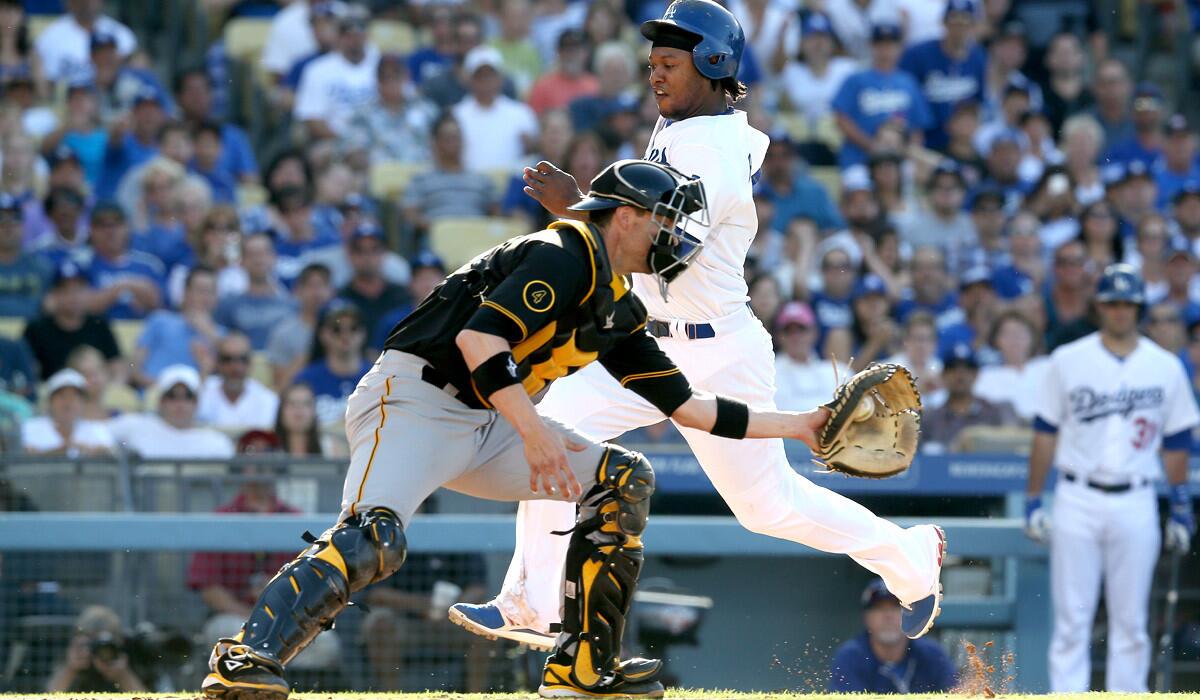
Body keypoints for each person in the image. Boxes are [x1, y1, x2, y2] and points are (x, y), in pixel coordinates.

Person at [200, 157, 842, 700]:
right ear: (624, 216)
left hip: (489, 416)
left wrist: (803, 426)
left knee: (623, 480)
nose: (671, 234)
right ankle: (243, 657)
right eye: (662, 218)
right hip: (418, 398)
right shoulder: (562, 251)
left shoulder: (615, 299)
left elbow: (692, 409)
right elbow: (481, 341)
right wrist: (536, 434)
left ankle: (583, 667)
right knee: (375, 541)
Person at [448, 0, 945, 658]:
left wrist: (575, 208)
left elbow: (664, 253)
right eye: (653, 61)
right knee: (555, 432)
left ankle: (910, 558)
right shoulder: (687, 125)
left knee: (767, 507)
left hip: (718, 348)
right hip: (646, 335)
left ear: (714, 64)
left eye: (671, 63)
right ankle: (534, 602)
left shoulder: (709, 148)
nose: (656, 73)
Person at [1025, 264, 1199, 692]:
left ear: (1139, 308)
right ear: (1099, 305)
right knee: (1072, 618)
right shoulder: (1068, 359)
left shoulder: (1165, 366)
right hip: (1076, 495)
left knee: (1131, 621)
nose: (1121, 311)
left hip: (1136, 498)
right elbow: (1044, 435)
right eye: (1113, 302)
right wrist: (1032, 499)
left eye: (1129, 304)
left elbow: (1176, 442)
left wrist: (1179, 503)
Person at [829, 579, 958, 693]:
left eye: (896, 606)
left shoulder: (932, 654)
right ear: (867, 617)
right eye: (879, 608)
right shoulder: (850, 657)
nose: (888, 615)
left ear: (910, 615)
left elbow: (954, 693)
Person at [833, 21, 932, 168]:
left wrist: (905, 152)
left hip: (900, 161)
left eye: (891, 44)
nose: (886, 50)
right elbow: (841, 119)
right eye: (880, 44)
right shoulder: (856, 79)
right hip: (860, 158)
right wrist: (872, 146)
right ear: (872, 46)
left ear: (900, 48)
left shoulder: (908, 82)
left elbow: (918, 127)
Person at [898, 0, 986, 152]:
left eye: (965, 23)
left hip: (962, 143)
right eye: (954, 22)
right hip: (925, 139)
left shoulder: (978, 58)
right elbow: (904, 95)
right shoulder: (918, 55)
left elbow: (978, 102)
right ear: (943, 23)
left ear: (973, 26)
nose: (959, 29)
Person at [107, 365, 234, 459]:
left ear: (197, 402)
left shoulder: (216, 442)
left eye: (188, 396)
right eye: (172, 396)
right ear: (161, 401)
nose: (180, 404)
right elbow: (97, 434)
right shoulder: (135, 426)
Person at [294, 4, 380, 141]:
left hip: (380, 141)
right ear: (338, 36)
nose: (354, 39)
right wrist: (348, 141)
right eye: (347, 33)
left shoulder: (384, 65)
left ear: (367, 35)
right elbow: (313, 120)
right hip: (334, 141)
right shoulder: (317, 70)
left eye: (359, 32)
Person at [22, 261, 121, 380]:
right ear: (54, 294)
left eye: (78, 290)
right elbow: (26, 368)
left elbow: (116, 365)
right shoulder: (36, 329)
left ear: (87, 292)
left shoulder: (99, 325)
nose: (73, 297)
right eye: (65, 291)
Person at [132, 266, 224, 386]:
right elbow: (133, 367)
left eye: (211, 292)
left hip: (195, 399)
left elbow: (226, 379)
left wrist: (210, 334)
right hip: (152, 393)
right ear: (186, 293)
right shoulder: (159, 320)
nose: (205, 298)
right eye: (201, 291)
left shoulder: (222, 337)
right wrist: (165, 389)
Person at [451, 46, 538, 173]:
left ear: (500, 78)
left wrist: (531, 146)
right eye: (480, 76)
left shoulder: (521, 113)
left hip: (511, 186)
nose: (486, 81)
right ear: (469, 79)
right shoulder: (456, 115)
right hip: (470, 185)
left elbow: (533, 156)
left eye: (490, 75)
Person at [920, 343, 1019, 453]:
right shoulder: (930, 418)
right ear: (943, 375)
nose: (960, 375)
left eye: (967, 368)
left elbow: (1013, 444)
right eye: (952, 368)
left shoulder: (994, 412)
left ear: (977, 374)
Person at [79, 201, 164, 320]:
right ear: (91, 230)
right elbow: (80, 305)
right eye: (102, 225)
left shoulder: (149, 264)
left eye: (117, 224)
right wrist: (123, 287)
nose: (110, 231)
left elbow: (159, 303)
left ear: (127, 227)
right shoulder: (81, 264)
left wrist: (107, 296)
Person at [293, 300, 372, 426]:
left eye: (353, 328)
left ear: (363, 333)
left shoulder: (379, 378)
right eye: (337, 329)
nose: (345, 335)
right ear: (322, 334)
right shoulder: (305, 380)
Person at [215, 233, 297, 350]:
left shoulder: (292, 305)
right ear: (242, 261)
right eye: (252, 254)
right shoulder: (228, 305)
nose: (258, 259)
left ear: (274, 258)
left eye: (264, 253)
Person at [335, 223, 411, 345]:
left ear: (385, 253)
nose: (367, 257)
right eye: (360, 250)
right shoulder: (340, 299)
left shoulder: (403, 295)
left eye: (374, 249)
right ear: (349, 255)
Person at [45, 605, 148, 692]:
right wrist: (71, 669)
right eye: (93, 641)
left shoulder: (128, 656)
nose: (100, 648)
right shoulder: (74, 657)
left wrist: (123, 675)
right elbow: (51, 694)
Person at [267, 263, 334, 389]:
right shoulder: (284, 332)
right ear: (298, 290)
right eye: (311, 286)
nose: (317, 293)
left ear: (332, 291)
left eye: (322, 285)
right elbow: (280, 385)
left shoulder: (344, 329)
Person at [34, 0, 136, 81]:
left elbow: (136, 72)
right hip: (70, 100)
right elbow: (46, 82)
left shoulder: (121, 33)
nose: (88, 2)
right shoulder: (50, 37)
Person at [21, 368, 114, 456]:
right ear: (50, 401)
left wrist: (97, 453)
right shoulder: (29, 428)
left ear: (83, 402)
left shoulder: (97, 430)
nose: (68, 402)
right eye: (62, 396)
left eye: (75, 396)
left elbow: (111, 456)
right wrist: (57, 452)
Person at [772, 301, 846, 412]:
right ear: (779, 335)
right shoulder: (769, 374)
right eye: (788, 331)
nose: (795, 336)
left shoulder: (838, 372)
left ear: (814, 332)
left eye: (801, 329)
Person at [197, 333, 279, 431]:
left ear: (250, 363)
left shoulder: (268, 400)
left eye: (242, 359)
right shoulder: (201, 391)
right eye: (227, 359)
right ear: (218, 363)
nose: (235, 367)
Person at [0, 192, 50, 318]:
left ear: (24, 225)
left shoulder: (43, 268)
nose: (8, 224)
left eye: (15, 217)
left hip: (31, 335)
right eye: (1, 217)